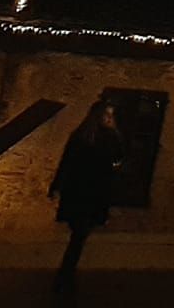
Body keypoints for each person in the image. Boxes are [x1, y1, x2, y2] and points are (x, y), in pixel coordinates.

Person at [47, 100, 123, 293]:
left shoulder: (106, 138)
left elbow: (118, 158)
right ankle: (64, 278)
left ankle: (65, 277)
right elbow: (67, 163)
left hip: (91, 193)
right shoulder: (83, 138)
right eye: (106, 115)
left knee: (79, 236)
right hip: (82, 193)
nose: (108, 119)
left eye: (111, 115)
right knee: (79, 236)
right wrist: (56, 185)